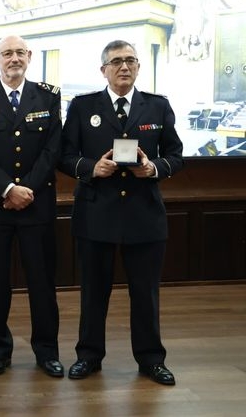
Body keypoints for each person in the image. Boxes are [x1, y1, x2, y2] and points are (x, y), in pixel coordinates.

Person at [59, 39, 184, 386]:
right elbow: (65, 156)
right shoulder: (83, 106)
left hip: (144, 215)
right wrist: (91, 167)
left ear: (139, 67)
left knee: (145, 294)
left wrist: (154, 168)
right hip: (96, 213)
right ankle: (88, 356)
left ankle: (151, 360)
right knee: (93, 292)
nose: (124, 67)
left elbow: (176, 155)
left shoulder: (157, 106)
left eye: (130, 60)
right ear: (104, 70)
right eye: (116, 62)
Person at [0, 35, 63, 378]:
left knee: (42, 284)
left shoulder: (48, 95)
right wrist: (8, 189)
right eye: (7, 53)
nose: (14, 58)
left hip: (36, 204)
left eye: (20, 52)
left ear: (30, 56)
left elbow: (52, 149)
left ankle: (47, 352)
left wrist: (26, 189)